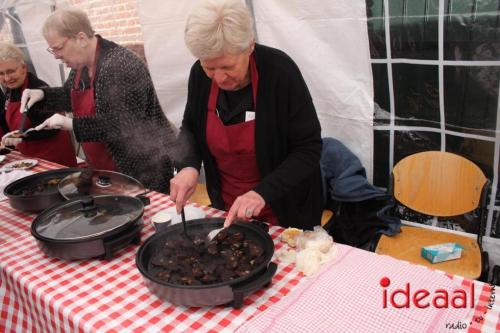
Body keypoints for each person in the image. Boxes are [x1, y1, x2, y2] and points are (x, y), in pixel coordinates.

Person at [170, 0, 323, 229]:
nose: (219, 78)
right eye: (209, 68)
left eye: (228, 67)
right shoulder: (198, 75)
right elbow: (191, 127)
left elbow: (308, 148)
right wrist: (189, 165)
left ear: (250, 46)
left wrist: (261, 193)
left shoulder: (280, 72)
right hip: (227, 206)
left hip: (286, 209)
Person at [20, 7, 177, 193]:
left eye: (58, 48)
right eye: (51, 50)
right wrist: (43, 95)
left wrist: (71, 124)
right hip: (106, 168)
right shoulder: (80, 66)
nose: (56, 56)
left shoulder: (121, 64)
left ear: (81, 38)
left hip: (144, 169)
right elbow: (71, 97)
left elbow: (124, 124)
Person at [0, 43, 77, 167]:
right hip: (30, 156)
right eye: (1, 73)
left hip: (53, 156)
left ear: (24, 68)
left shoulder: (37, 88)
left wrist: (19, 136)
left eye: (11, 71)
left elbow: (51, 129)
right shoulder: (11, 90)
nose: (7, 78)